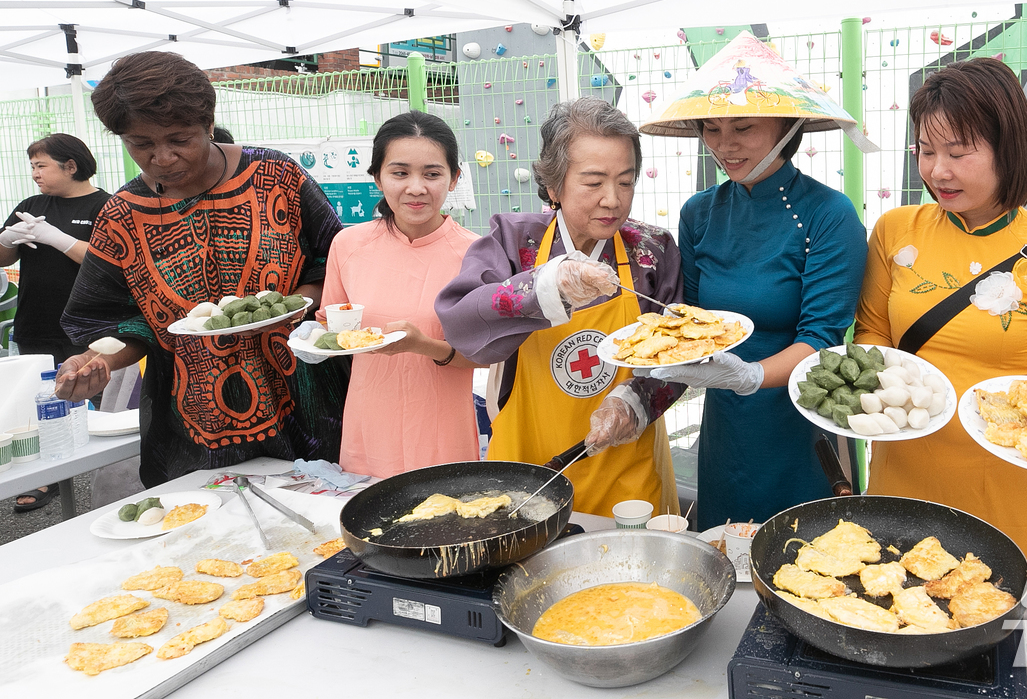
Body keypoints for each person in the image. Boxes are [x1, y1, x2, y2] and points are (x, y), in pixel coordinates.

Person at [854, 58, 1027, 593]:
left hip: (1012, 485)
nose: (938, 171)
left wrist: (1024, 425)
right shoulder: (896, 230)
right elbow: (872, 337)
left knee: (1015, 640)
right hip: (904, 477)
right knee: (900, 622)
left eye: (958, 151)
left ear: (1006, 147)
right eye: (926, 151)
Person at [55, 50, 348, 487]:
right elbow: (117, 321)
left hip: (309, 400)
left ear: (208, 125)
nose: (163, 157)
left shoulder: (276, 177)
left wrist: (288, 306)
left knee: (326, 523)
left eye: (179, 139)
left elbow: (338, 263)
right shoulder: (122, 216)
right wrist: (96, 361)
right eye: (142, 144)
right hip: (194, 426)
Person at [639, 32, 874, 531]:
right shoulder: (699, 213)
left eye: (743, 126)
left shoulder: (828, 214)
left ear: (787, 129)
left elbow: (823, 338)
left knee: (805, 561)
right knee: (725, 555)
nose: (725, 146)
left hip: (802, 421)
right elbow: (696, 322)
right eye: (711, 128)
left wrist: (748, 375)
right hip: (727, 424)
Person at [436, 97, 683, 517]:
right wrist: (545, 284)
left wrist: (636, 403)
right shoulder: (514, 241)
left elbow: (681, 353)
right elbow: (461, 322)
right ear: (553, 184)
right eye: (593, 182)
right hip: (529, 463)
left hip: (628, 467)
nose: (612, 200)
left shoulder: (652, 250)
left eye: (626, 181)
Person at [292, 111, 480, 478]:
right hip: (368, 427)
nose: (415, 187)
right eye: (399, 172)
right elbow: (330, 323)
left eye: (432, 173)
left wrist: (422, 344)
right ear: (377, 177)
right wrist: (309, 337)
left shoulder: (478, 254)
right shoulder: (348, 245)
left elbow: (487, 356)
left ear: (454, 178)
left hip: (442, 430)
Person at [0, 133, 110, 512]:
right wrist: (9, 238)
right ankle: (44, 478)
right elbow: (1, 258)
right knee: (40, 403)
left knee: (96, 399)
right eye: (32, 166)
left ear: (71, 165)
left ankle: (108, 477)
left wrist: (58, 238)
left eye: (40, 165)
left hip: (88, 326)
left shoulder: (106, 206)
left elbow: (108, 263)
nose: (34, 174)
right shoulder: (32, 205)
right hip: (36, 320)